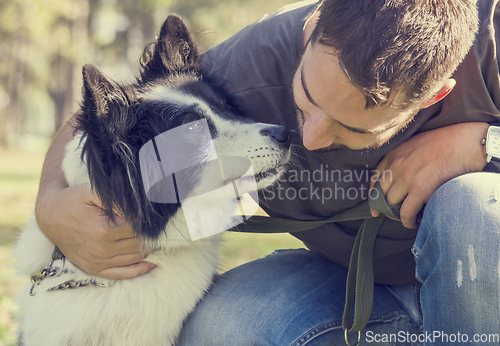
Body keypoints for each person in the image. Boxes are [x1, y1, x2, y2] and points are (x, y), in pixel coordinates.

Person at [35, 0, 500, 345]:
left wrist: (479, 143)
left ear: (434, 96)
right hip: (355, 293)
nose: (311, 138)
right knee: (214, 329)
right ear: (313, 27)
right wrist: (50, 202)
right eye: (306, 100)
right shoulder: (246, 66)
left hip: (484, 292)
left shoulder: (491, 45)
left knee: (473, 207)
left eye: (350, 128)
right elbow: (120, 110)